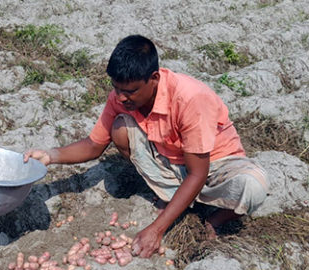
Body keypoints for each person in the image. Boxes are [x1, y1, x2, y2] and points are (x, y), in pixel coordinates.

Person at [24, 35, 268, 258]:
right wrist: (50, 155)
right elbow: (93, 145)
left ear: (154, 79)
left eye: (130, 91)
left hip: (214, 164)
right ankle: (170, 195)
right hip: (171, 162)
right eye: (116, 89)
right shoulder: (121, 98)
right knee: (120, 128)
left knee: (252, 186)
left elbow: (198, 172)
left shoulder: (189, 98)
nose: (120, 98)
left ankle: (216, 217)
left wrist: (156, 229)